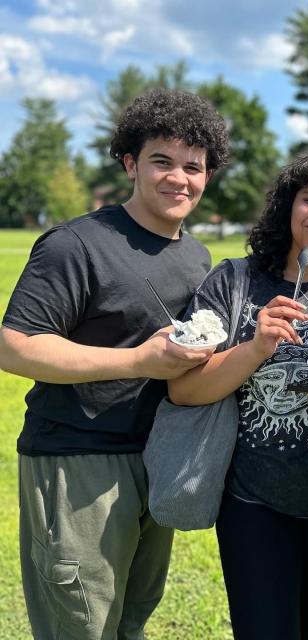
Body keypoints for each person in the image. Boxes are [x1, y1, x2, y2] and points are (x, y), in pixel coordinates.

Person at [0, 88, 230, 639]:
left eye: (193, 167)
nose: (179, 177)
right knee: (81, 625)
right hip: (80, 458)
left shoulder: (196, 255)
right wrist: (139, 360)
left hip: (159, 457)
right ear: (130, 163)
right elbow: (16, 346)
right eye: (161, 161)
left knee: (131, 619)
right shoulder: (76, 244)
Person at [168, 150, 308, 640]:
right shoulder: (234, 280)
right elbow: (184, 390)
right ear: (287, 206)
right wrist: (256, 347)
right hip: (253, 496)